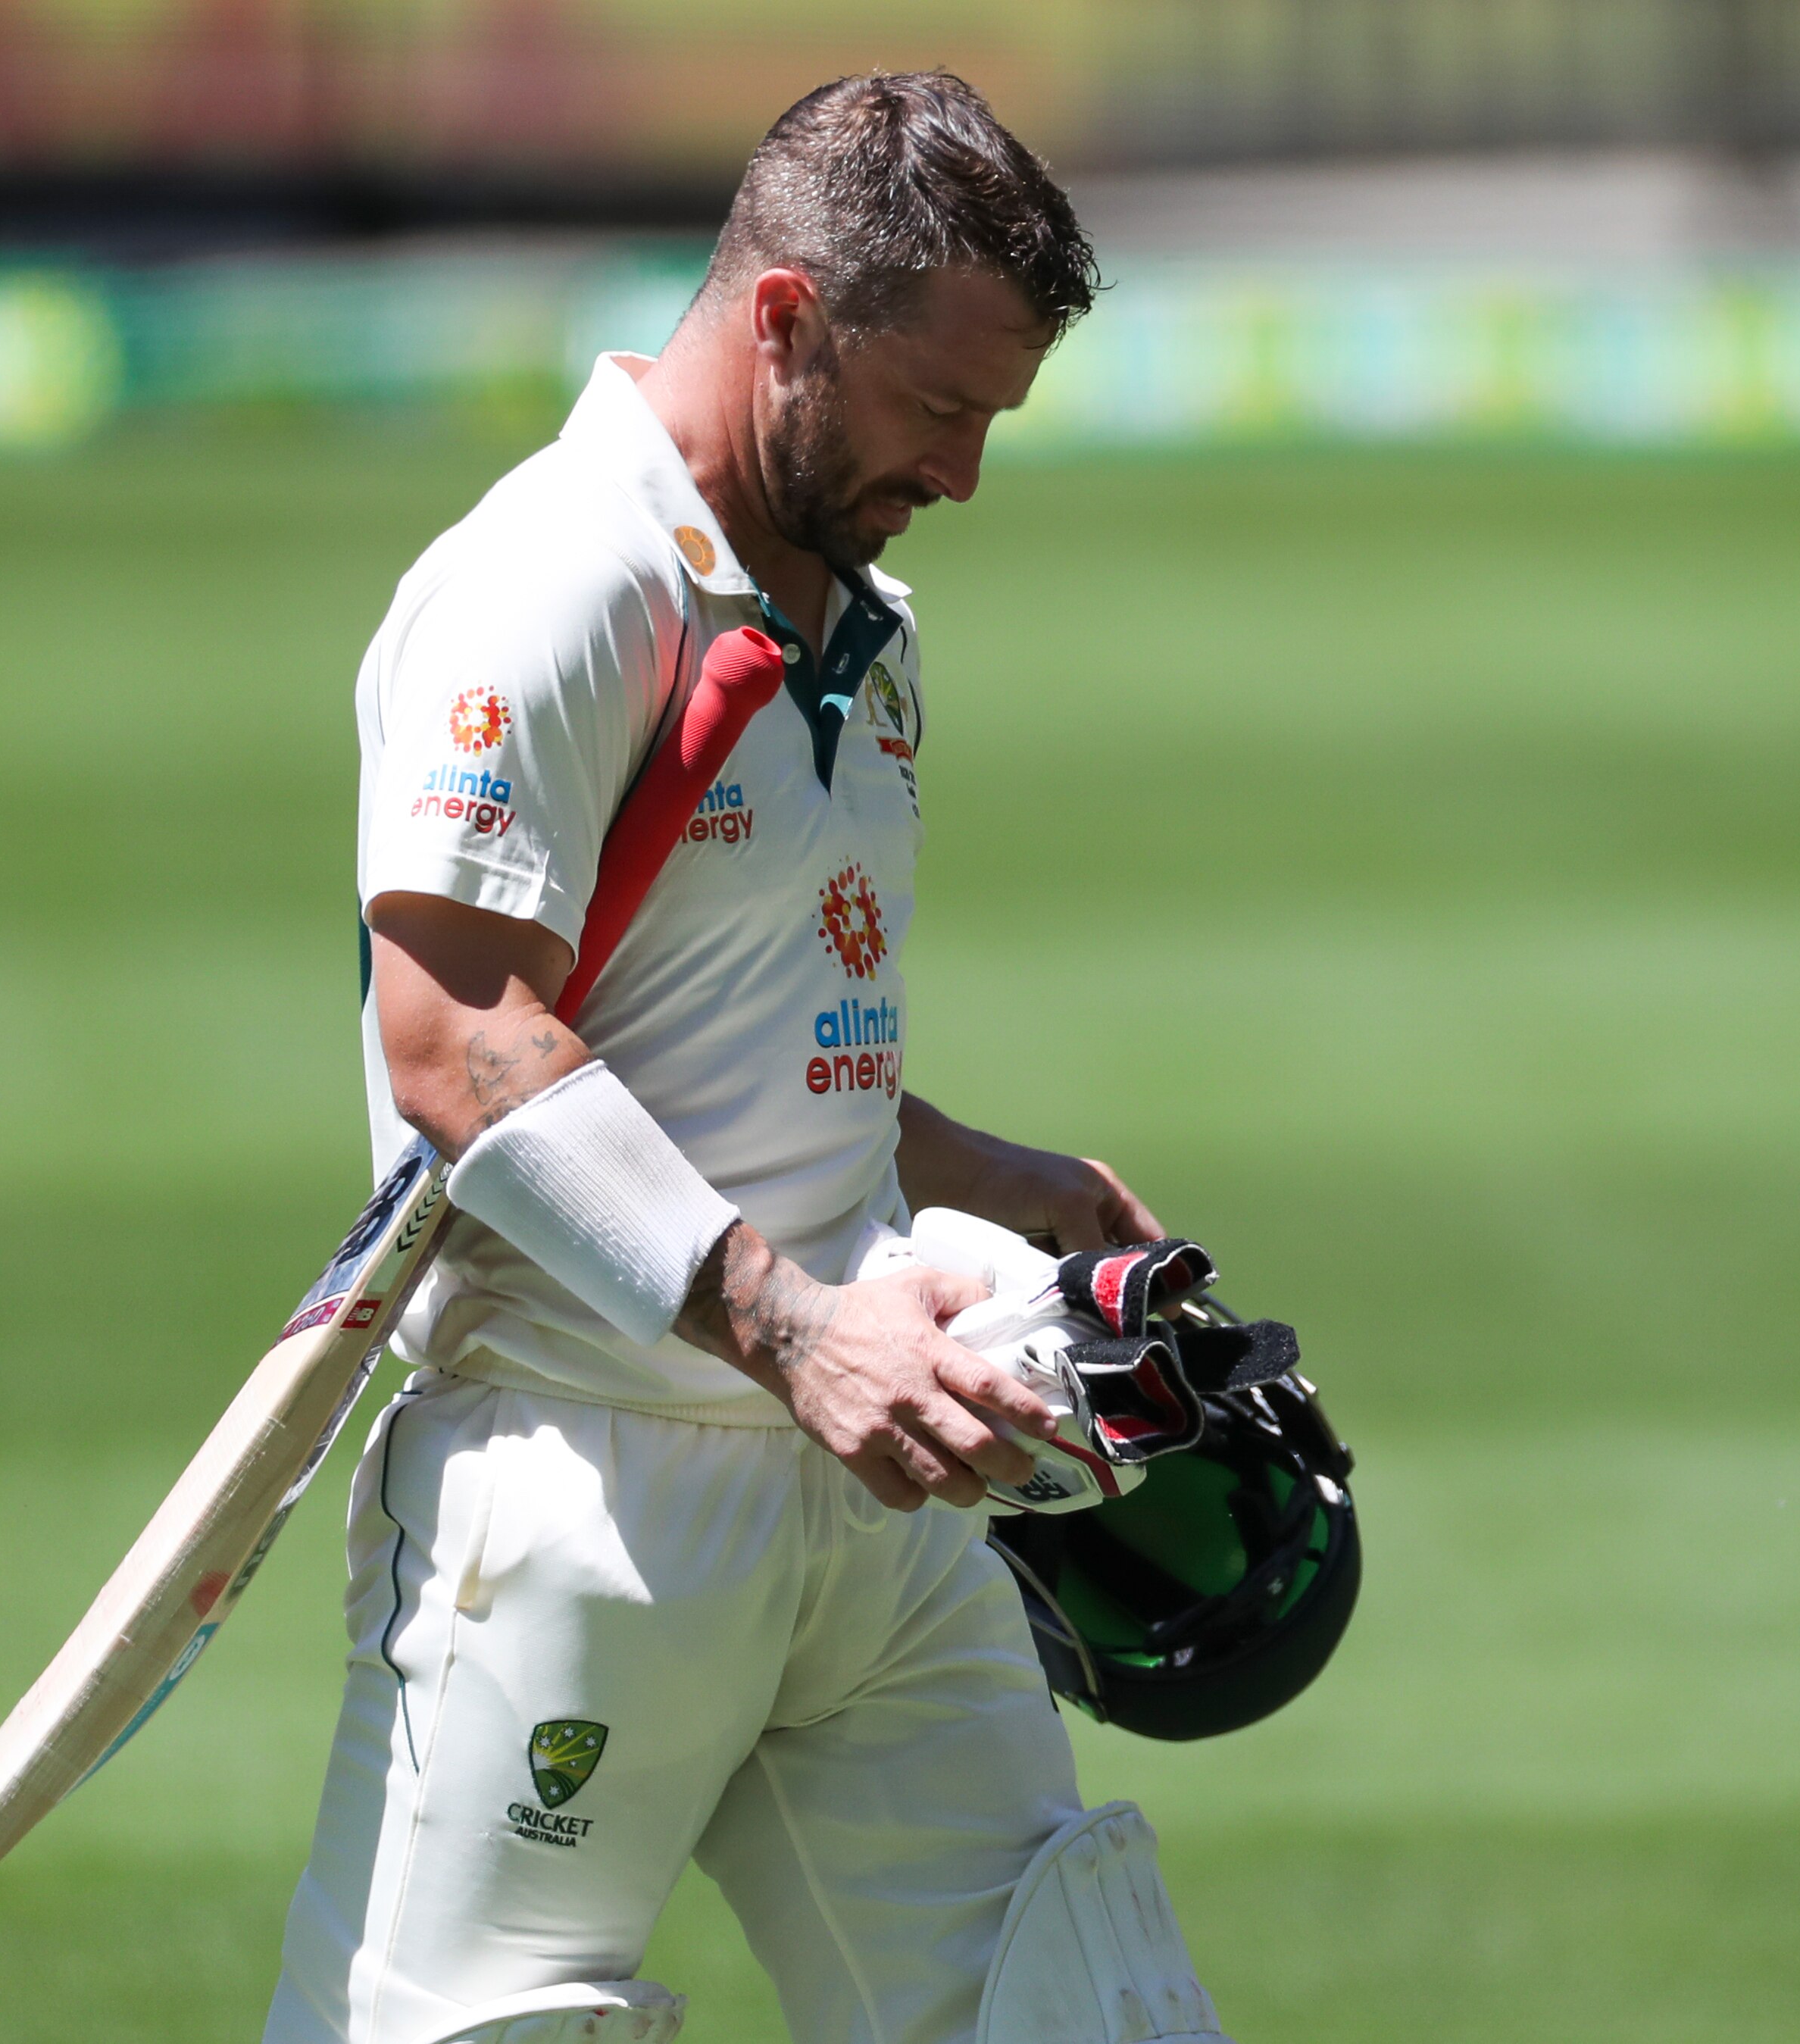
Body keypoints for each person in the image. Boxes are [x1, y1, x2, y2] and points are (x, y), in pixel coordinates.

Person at [268, 72, 1227, 2044]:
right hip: (588, 1492)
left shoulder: (862, 618)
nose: (964, 472)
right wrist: (794, 1326)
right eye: (943, 409)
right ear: (785, 322)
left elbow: (723, 1044)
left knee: (1080, 2018)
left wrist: (958, 1170)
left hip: (871, 1488)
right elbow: (457, 1036)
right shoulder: (554, 582)